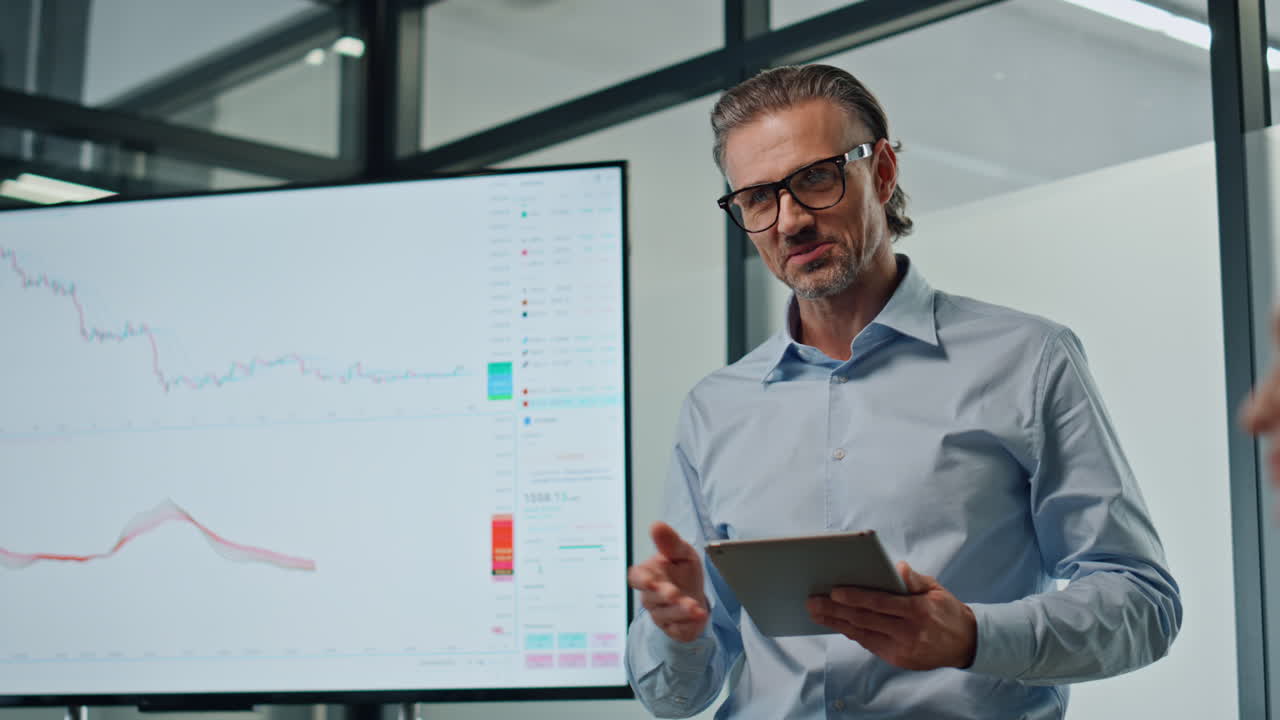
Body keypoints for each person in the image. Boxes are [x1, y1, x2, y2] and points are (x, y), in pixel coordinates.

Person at [624, 64, 1181, 719]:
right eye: (757, 199)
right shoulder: (715, 407)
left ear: (883, 172)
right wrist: (676, 631)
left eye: (815, 179)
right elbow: (675, 698)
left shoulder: (1028, 359)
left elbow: (1142, 603)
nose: (790, 220)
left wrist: (971, 637)